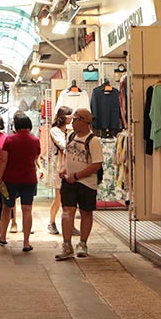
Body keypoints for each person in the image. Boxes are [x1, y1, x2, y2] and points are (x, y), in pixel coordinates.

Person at [56, 108, 103, 260]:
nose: (72, 122)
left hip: (86, 184)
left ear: (84, 121)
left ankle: (83, 243)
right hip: (69, 182)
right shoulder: (71, 136)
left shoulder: (93, 141)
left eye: (75, 120)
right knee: (67, 211)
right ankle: (67, 245)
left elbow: (96, 165)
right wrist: (64, 168)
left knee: (86, 212)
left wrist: (77, 176)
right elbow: (67, 156)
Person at [0, 111, 41, 252]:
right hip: (29, 178)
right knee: (27, 209)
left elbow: (3, 160)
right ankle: (26, 243)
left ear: (16, 125)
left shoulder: (9, 140)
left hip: (11, 179)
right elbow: (36, 156)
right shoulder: (35, 140)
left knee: (7, 208)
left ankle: (2, 237)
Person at [48, 106, 73, 235]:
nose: (72, 119)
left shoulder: (68, 131)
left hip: (70, 167)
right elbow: (64, 146)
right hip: (59, 167)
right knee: (59, 197)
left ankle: (69, 225)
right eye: (70, 116)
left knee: (68, 199)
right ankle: (51, 222)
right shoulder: (55, 130)